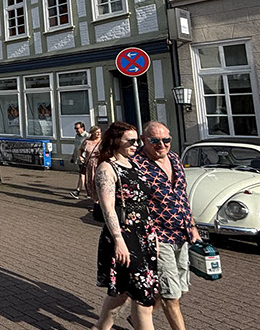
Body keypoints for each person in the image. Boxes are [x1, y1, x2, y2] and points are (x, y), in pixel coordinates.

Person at [91, 121, 158, 330]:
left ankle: (101, 327)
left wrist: (153, 235)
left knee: (121, 293)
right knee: (142, 295)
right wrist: (119, 241)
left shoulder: (134, 164)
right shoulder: (106, 168)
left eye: (137, 141)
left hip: (144, 233)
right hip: (124, 235)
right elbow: (108, 208)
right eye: (130, 141)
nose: (135, 145)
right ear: (116, 141)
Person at [133, 122, 200, 330]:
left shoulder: (174, 158)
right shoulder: (136, 164)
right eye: (154, 140)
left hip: (182, 233)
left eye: (166, 140)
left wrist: (193, 226)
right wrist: (147, 238)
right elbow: (133, 205)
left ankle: (140, 316)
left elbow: (182, 196)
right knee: (172, 295)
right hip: (158, 237)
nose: (161, 144)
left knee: (180, 288)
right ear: (144, 140)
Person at [69, 122, 90, 199]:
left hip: (85, 159)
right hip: (79, 159)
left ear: (82, 128)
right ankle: (88, 192)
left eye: (77, 128)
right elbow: (76, 148)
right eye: (75, 128)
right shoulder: (77, 136)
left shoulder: (87, 136)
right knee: (84, 175)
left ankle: (77, 191)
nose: (76, 130)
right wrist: (73, 156)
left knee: (82, 175)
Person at [82, 126, 103, 200]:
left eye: (100, 132)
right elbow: (80, 150)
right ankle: (94, 200)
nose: (99, 134)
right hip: (90, 164)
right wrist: (80, 157)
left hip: (100, 163)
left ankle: (100, 200)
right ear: (92, 133)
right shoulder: (87, 142)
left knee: (99, 181)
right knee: (90, 182)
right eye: (97, 132)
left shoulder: (103, 142)